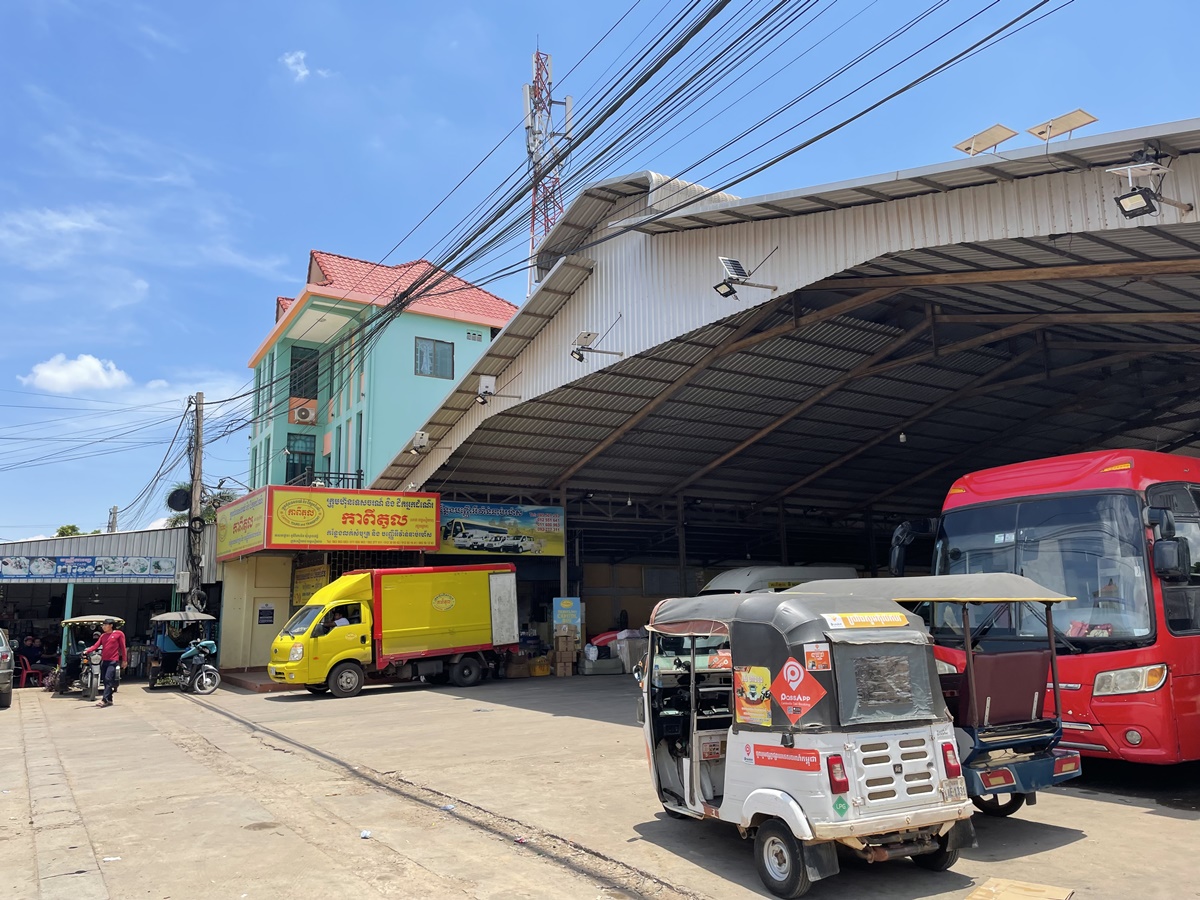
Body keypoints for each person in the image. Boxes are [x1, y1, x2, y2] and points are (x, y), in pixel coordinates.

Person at [83, 618, 128, 708]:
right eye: (103, 625)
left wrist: (124, 660)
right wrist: (87, 651)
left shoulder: (119, 634)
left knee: (108, 678)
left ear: (111, 625)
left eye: (105, 625)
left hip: (113, 661)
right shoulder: (103, 636)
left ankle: (104, 700)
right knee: (106, 680)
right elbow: (96, 645)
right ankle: (109, 700)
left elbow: (123, 648)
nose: (103, 627)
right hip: (104, 661)